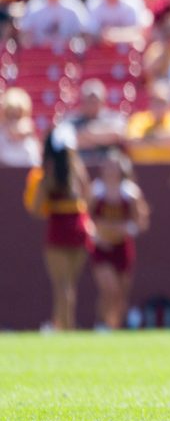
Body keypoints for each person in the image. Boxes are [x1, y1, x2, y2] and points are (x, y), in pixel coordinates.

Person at [24, 124, 93, 331]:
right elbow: (88, 196)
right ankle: (61, 322)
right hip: (77, 224)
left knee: (62, 284)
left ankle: (65, 326)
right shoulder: (72, 168)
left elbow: (35, 209)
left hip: (60, 225)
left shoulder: (49, 174)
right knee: (68, 283)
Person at [88, 148, 150, 330]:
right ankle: (102, 324)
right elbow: (86, 217)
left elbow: (141, 221)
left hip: (122, 245)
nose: (111, 171)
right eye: (108, 167)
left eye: (115, 167)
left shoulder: (130, 192)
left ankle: (114, 327)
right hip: (101, 246)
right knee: (109, 288)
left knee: (121, 293)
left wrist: (124, 229)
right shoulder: (96, 190)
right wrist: (98, 235)